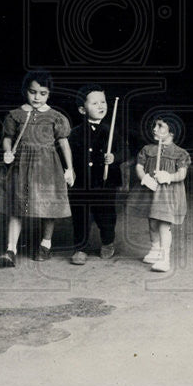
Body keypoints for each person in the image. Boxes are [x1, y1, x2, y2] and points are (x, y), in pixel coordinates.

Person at [0, 70, 74, 267]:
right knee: (17, 206)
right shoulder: (16, 115)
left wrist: (69, 169)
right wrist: (7, 152)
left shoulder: (56, 117)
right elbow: (8, 137)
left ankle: (45, 244)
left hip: (48, 167)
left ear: (49, 94)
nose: (37, 97)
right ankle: (11, 249)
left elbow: (63, 143)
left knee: (47, 205)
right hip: (21, 166)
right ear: (25, 91)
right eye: (33, 92)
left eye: (43, 93)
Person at [67, 85, 127, 266]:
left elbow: (125, 151)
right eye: (95, 103)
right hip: (81, 183)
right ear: (82, 109)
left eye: (103, 102)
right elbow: (66, 155)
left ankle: (107, 242)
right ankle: (80, 248)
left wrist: (115, 157)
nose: (101, 106)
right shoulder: (74, 133)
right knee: (80, 215)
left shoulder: (112, 131)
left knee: (106, 214)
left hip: (105, 183)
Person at [127, 114, 191, 273]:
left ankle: (164, 257)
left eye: (160, 126)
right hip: (150, 191)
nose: (154, 129)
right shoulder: (148, 150)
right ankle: (155, 249)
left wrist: (170, 176)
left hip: (168, 194)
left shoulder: (180, 153)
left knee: (163, 224)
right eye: (155, 125)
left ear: (172, 132)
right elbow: (139, 167)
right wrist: (144, 178)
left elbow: (182, 174)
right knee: (152, 222)